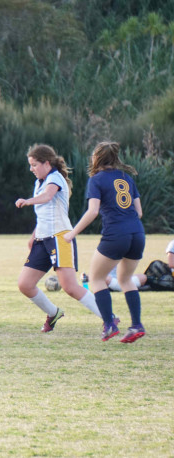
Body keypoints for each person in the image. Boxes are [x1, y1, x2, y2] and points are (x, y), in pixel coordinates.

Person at [15, 144, 111, 333]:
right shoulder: (39, 182)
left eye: (34, 165)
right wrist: (34, 235)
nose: (31, 169)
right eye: (30, 165)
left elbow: (48, 196)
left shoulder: (55, 178)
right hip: (42, 240)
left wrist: (27, 201)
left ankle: (109, 318)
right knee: (25, 284)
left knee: (70, 287)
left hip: (60, 237)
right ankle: (53, 313)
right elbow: (44, 212)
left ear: (46, 163)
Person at [64, 141, 145, 343]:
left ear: (97, 158)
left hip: (116, 235)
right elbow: (139, 212)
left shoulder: (96, 180)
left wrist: (72, 233)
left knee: (96, 278)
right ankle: (136, 324)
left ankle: (109, 324)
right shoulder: (126, 178)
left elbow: (92, 211)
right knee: (126, 280)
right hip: (137, 234)